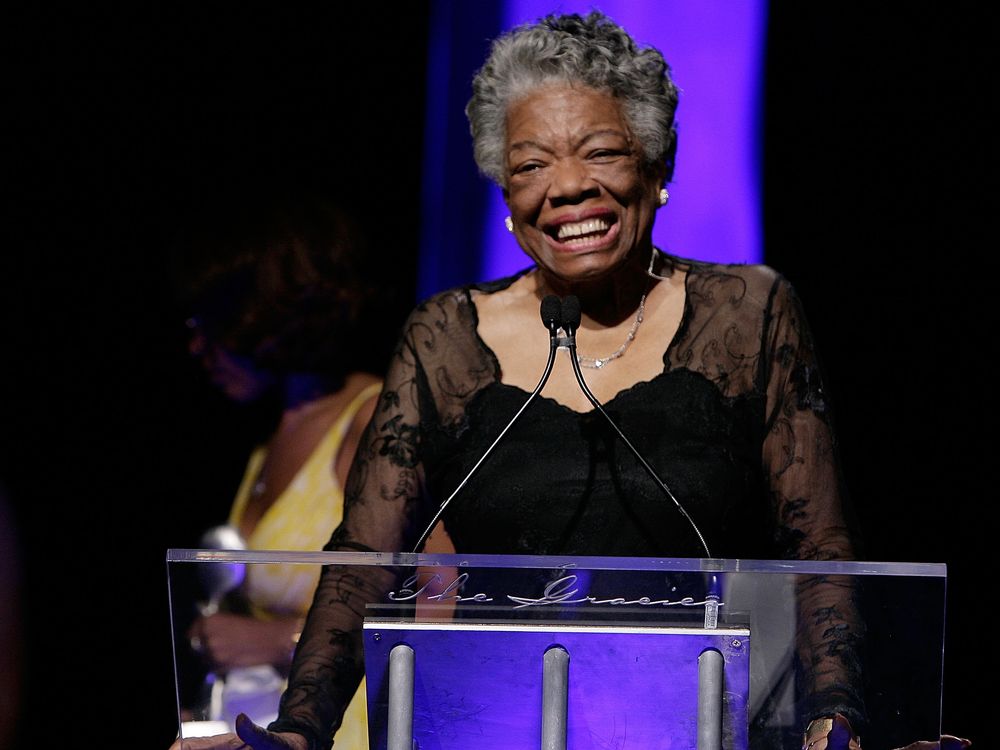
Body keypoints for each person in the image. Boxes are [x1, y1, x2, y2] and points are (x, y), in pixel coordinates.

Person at [173, 12, 969, 750]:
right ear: (510, 202)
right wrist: (300, 728)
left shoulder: (752, 313)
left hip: (698, 729)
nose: (567, 188)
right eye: (531, 165)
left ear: (656, 166)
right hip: (496, 732)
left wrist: (836, 716)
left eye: (600, 151)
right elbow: (362, 561)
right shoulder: (446, 337)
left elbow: (819, 545)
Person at [173, 191, 394, 750]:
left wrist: (278, 641)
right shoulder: (267, 440)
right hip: (263, 727)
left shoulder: (367, 419)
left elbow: (419, 611)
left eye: (208, 322)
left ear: (261, 313)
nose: (196, 346)